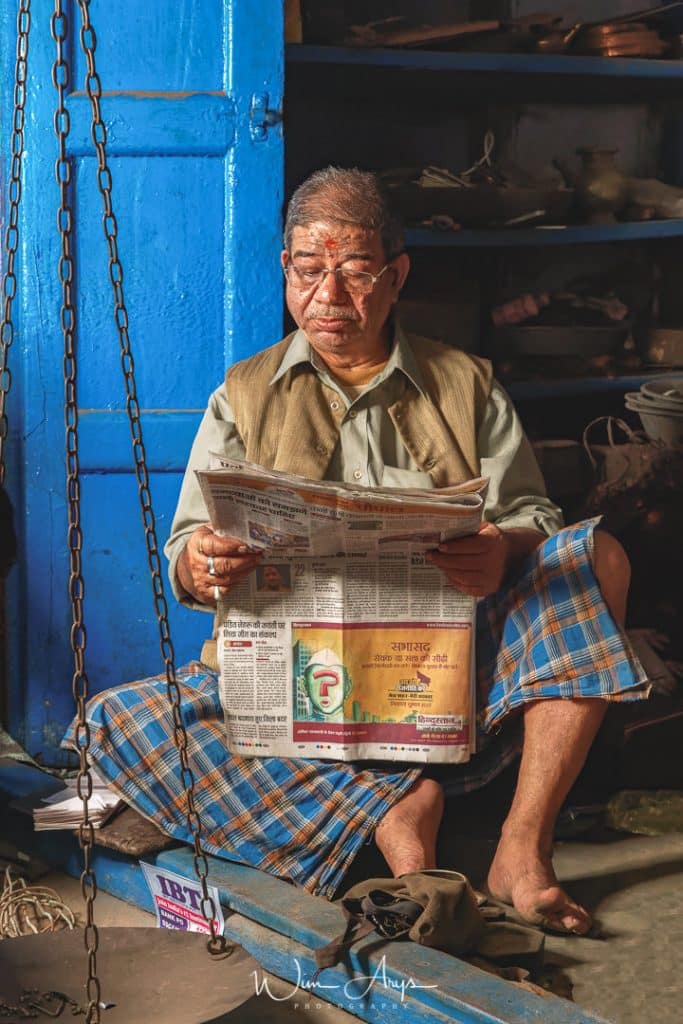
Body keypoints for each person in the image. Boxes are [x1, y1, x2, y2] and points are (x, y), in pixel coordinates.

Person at [165, 166, 649, 933]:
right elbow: (190, 544)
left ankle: (521, 846)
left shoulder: (464, 384)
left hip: (449, 677)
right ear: (285, 273)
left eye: (355, 273)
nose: (329, 296)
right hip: (306, 684)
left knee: (597, 558)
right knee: (112, 727)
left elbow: (530, 511)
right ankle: (402, 818)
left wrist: (503, 546)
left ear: (395, 276)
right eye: (307, 270)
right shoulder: (242, 394)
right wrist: (200, 563)